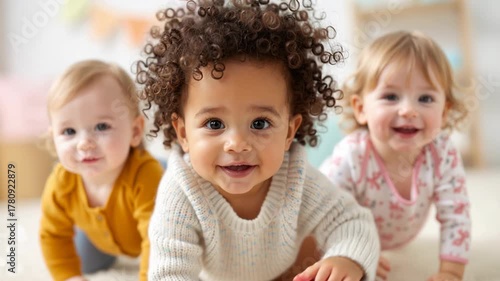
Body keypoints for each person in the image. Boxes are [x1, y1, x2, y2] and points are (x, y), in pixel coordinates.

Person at [135, 0, 380, 280]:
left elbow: (353, 221)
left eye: (260, 123)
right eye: (214, 124)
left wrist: (347, 258)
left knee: (315, 252)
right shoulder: (182, 191)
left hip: (286, 270)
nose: (237, 143)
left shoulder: (296, 179)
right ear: (183, 134)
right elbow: (170, 271)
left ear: (289, 132)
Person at [320, 31, 471, 281]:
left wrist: (451, 272)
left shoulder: (442, 152)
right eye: (391, 96)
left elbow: (456, 213)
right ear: (360, 109)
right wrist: (351, 251)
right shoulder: (352, 155)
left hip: (400, 237)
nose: (409, 110)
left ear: (444, 112)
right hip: (349, 229)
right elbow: (324, 210)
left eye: (425, 98)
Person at [39, 60, 164, 281]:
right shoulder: (61, 182)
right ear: (53, 138)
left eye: (101, 126)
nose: (84, 143)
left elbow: (157, 239)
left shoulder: (146, 176)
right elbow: (53, 234)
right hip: (99, 237)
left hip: (153, 215)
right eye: (69, 131)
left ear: (135, 131)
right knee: (87, 263)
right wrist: (68, 276)